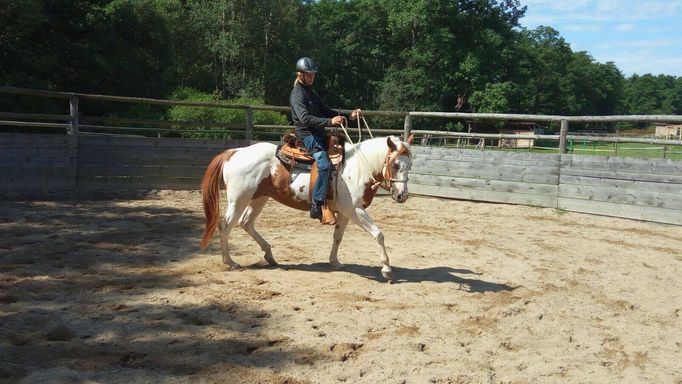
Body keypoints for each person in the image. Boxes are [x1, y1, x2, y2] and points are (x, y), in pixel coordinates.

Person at [289, 57, 361, 220]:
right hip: (306, 135)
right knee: (324, 164)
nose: (311, 77)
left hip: (318, 133)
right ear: (300, 75)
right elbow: (305, 118)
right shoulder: (297, 94)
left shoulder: (311, 92)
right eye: (308, 74)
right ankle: (317, 204)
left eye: (313, 74)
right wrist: (330, 122)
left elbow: (325, 110)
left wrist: (348, 115)